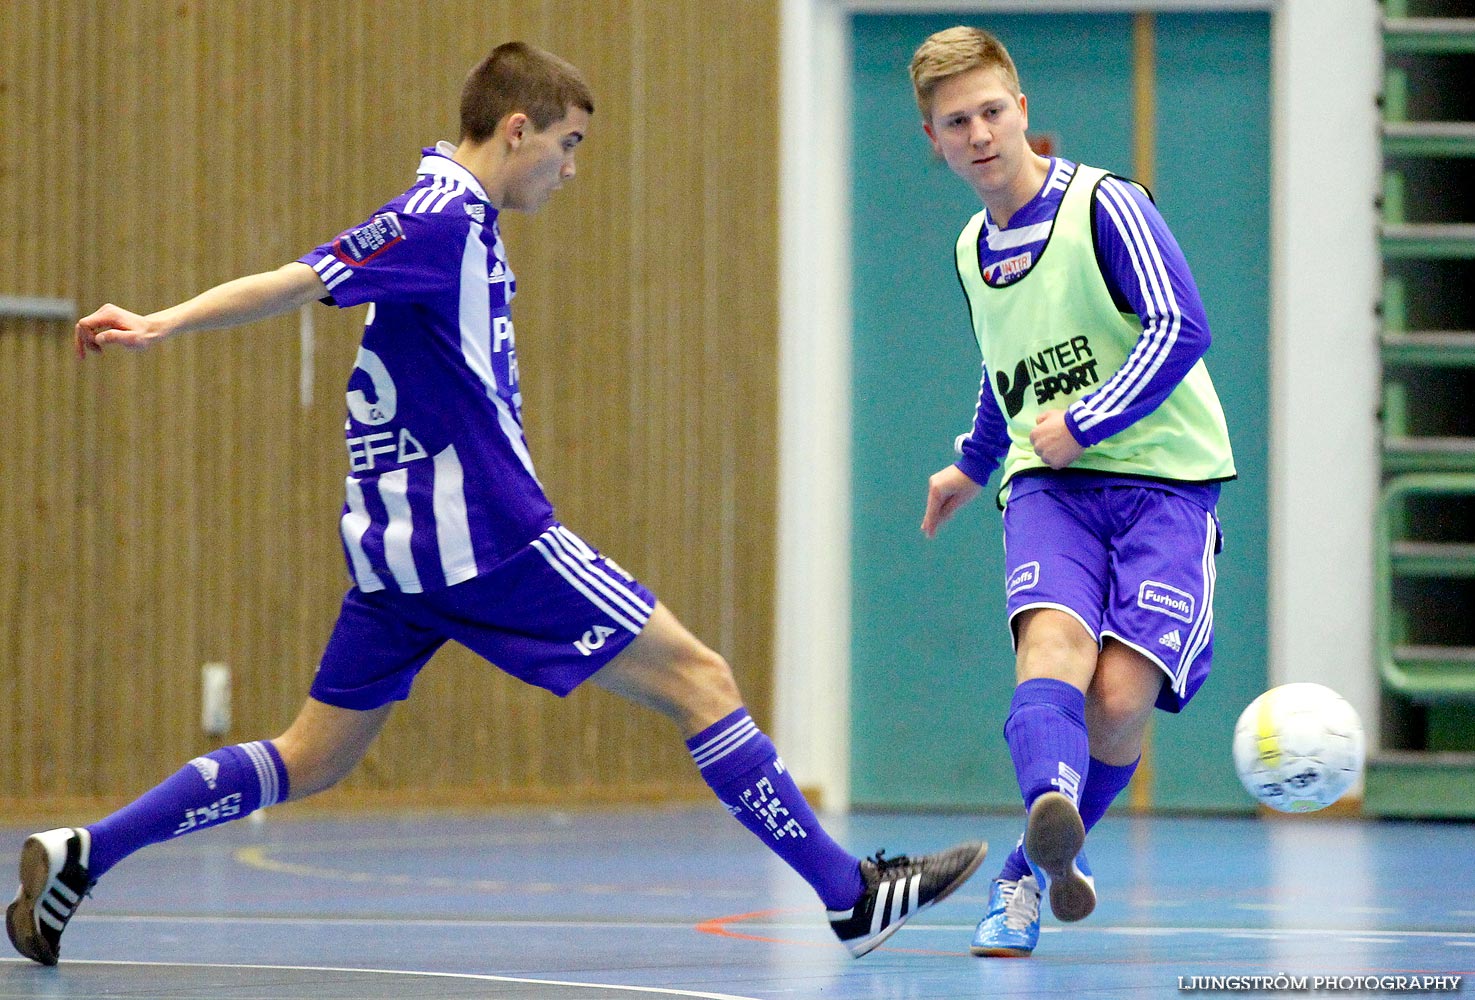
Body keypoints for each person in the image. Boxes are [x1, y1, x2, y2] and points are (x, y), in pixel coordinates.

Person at [8, 41, 987, 967]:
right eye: (567, 146)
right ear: (516, 129)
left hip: (400, 560)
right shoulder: (440, 216)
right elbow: (300, 278)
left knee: (308, 759)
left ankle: (84, 855)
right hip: (488, 537)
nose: (571, 169)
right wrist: (160, 322)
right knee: (701, 678)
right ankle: (847, 895)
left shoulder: (456, 224)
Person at [907, 27, 1235, 958]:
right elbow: (1000, 365)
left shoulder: (1105, 205)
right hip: (1049, 487)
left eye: (990, 111)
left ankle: (1027, 868)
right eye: (954, 121)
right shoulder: (972, 249)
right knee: (1052, 644)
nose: (977, 133)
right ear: (932, 140)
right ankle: (1049, 805)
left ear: (1022, 111)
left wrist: (1086, 419)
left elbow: (1180, 327)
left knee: (1123, 696)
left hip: (1166, 485)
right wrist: (974, 465)